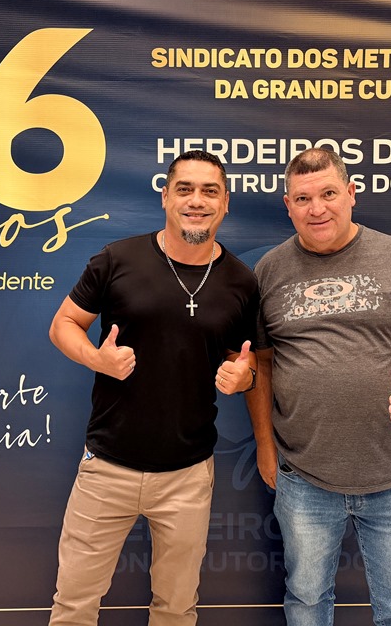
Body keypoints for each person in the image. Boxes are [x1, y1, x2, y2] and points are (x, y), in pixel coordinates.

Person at [246, 147, 391, 626]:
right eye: (303, 199)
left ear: (351, 194)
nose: (317, 208)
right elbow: (259, 364)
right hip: (303, 476)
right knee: (306, 604)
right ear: (288, 206)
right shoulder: (268, 271)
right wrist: (264, 444)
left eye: (328, 194)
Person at [47, 149, 259, 626]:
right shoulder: (117, 259)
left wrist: (243, 377)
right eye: (185, 189)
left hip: (188, 474)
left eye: (209, 191)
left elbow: (246, 362)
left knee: (176, 609)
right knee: (73, 607)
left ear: (226, 203)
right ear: (165, 197)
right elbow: (63, 324)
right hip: (107, 467)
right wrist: (97, 359)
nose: (197, 201)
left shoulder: (242, 282)